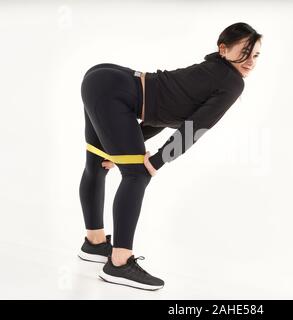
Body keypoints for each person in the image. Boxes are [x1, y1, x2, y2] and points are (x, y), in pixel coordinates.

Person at [78, 22, 262, 291]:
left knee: (98, 163)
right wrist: (156, 161)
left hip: (104, 81)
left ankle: (94, 244)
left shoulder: (215, 71)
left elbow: (162, 113)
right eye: (245, 52)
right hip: (114, 91)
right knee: (137, 174)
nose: (251, 61)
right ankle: (119, 262)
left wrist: (125, 149)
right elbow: (195, 127)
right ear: (223, 49)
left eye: (256, 54)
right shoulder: (231, 82)